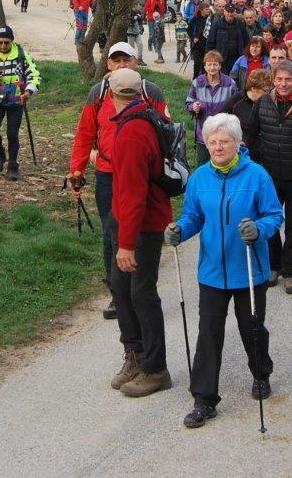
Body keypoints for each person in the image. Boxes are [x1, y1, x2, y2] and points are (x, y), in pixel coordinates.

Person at [167, 113, 284, 428]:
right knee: (209, 333)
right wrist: (180, 230)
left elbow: (274, 215)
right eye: (212, 142)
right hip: (212, 272)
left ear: (237, 143)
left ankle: (261, 373)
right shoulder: (199, 178)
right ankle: (204, 400)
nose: (218, 147)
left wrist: (258, 229)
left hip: (248, 268)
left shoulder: (257, 176)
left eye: (224, 141)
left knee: (252, 328)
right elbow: (193, 216)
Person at [68, 42, 169, 320]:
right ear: (109, 64)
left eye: (127, 59)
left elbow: (166, 133)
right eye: (117, 60)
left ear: (136, 63)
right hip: (108, 175)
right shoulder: (98, 94)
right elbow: (85, 134)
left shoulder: (151, 92)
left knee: (143, 233)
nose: (122, 65)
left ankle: (143, 290)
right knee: (112, 235)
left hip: (143, 176)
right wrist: (76, 171)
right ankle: (117, 294)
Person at [108, 67, 174, 398]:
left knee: (142, 293)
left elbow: (134, 193)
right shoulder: (142, 115)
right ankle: (135, 355)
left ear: (111, 94)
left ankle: (155, 368)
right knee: (121, 288)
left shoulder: (134, 131)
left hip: (142, 226)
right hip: (134, 220)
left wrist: (126, 244)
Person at [244, 61, 292, 295]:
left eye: (288, 79)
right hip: (270, 175)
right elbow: (251, 132)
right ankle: (274, 266)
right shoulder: (263, 102)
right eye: (279, 79)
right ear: (273, 80)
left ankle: (291, 273)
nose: (283, 84)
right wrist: (243, 149)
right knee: (270, 223)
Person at [0, 24, 41, 181]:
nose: (3, 45)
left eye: (6, 42)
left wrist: (28, 92)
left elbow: (34, 75)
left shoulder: (21, 54)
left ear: (12, 41)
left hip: (16, 100)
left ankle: (13, 166)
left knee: (12, 134)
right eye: (0, 42)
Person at [186, 51, 238, 166]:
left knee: (223, 164)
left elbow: (237, 107)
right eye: (209, 64)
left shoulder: (230, 84)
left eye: (215, 64)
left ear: (220, 66)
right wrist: (193, 107)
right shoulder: (197, 82)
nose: (212, 67)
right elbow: (189, 102)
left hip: (224, 134)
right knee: (203, 164)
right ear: (205, 67)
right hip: (203, 135)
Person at [221, 68, 273, 138]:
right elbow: (220, 120)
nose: (269, 93)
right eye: (266, 91)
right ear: (253, 88)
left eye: (270, 90)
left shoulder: (270, 100)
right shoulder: (236, 100)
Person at [206, 5, 245, 76]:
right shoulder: (217, 24)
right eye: (228, 12)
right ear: (224, 12)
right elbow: (210, 42)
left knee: (234, 78)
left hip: (236, 59)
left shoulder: (240, 24)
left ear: (234, 12)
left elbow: (246, 40)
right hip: (221, 59)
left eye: (232, 12)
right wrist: (209, 57)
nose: (230, 14)